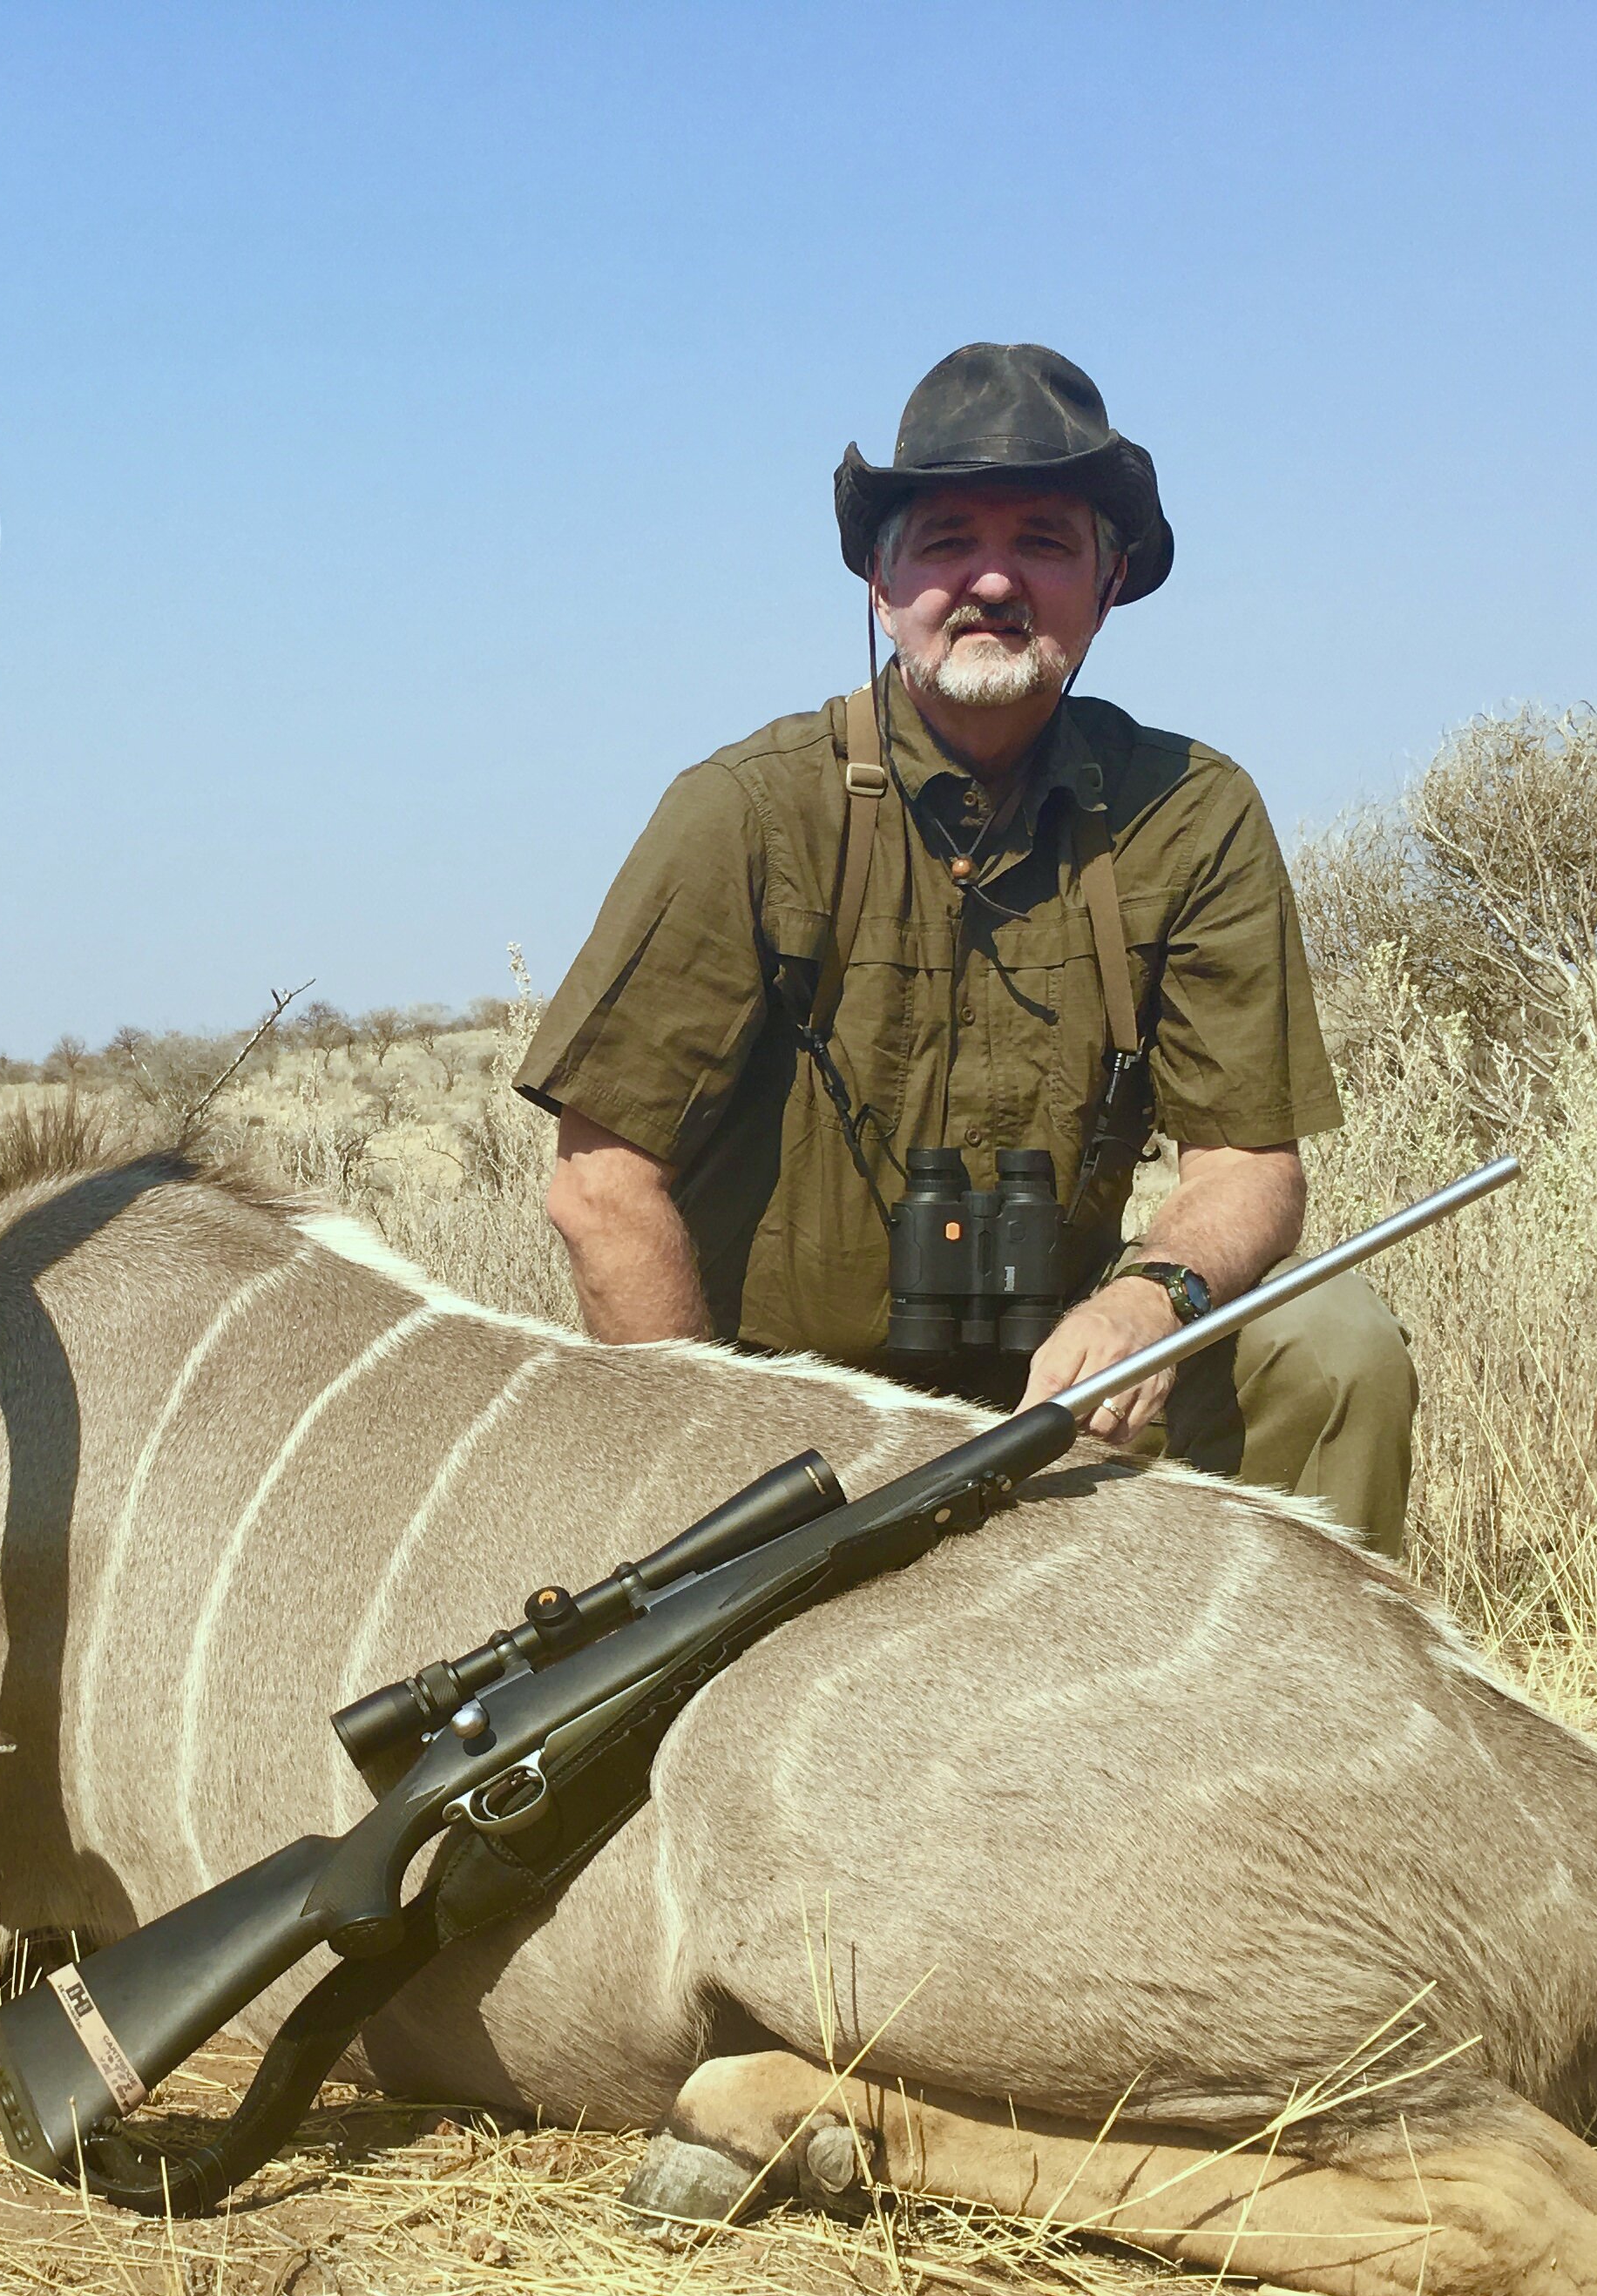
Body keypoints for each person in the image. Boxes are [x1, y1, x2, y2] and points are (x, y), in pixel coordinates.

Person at [516, 342, 1417, 1554]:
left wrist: (1154, 1300)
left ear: (1107, 583)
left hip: (1068, 1399)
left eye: (1044, 539)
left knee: (1335, 1348)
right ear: (881, 584)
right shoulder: (748, 808)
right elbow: (602, 1189)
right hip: (792, 1425)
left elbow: (1248, 1167)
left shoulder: (1193, 812)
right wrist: (715, 1486)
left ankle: (1292, 1733)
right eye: (946, 540)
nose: (992, 580)